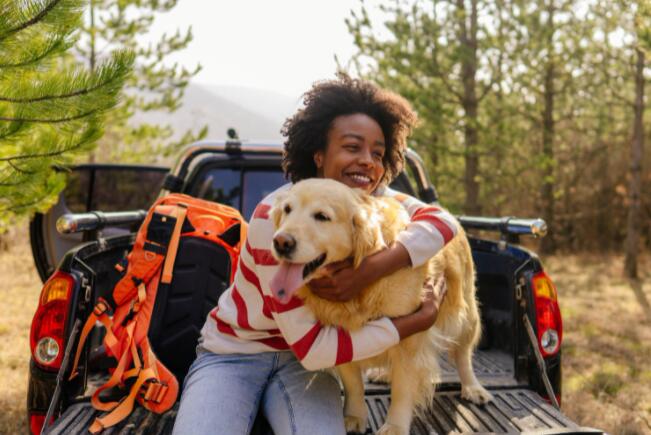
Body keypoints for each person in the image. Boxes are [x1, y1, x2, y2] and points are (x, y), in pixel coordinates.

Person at [172, 76, 458, 435]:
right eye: (352, 147)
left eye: (378, 154)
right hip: (235, 353)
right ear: (319, 155)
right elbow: (315, 349)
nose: (367, 161)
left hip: (306, 368)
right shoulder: (276, 214)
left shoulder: (374, 203)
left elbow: (443, 221)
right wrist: (413, 322)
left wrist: (371, 269)